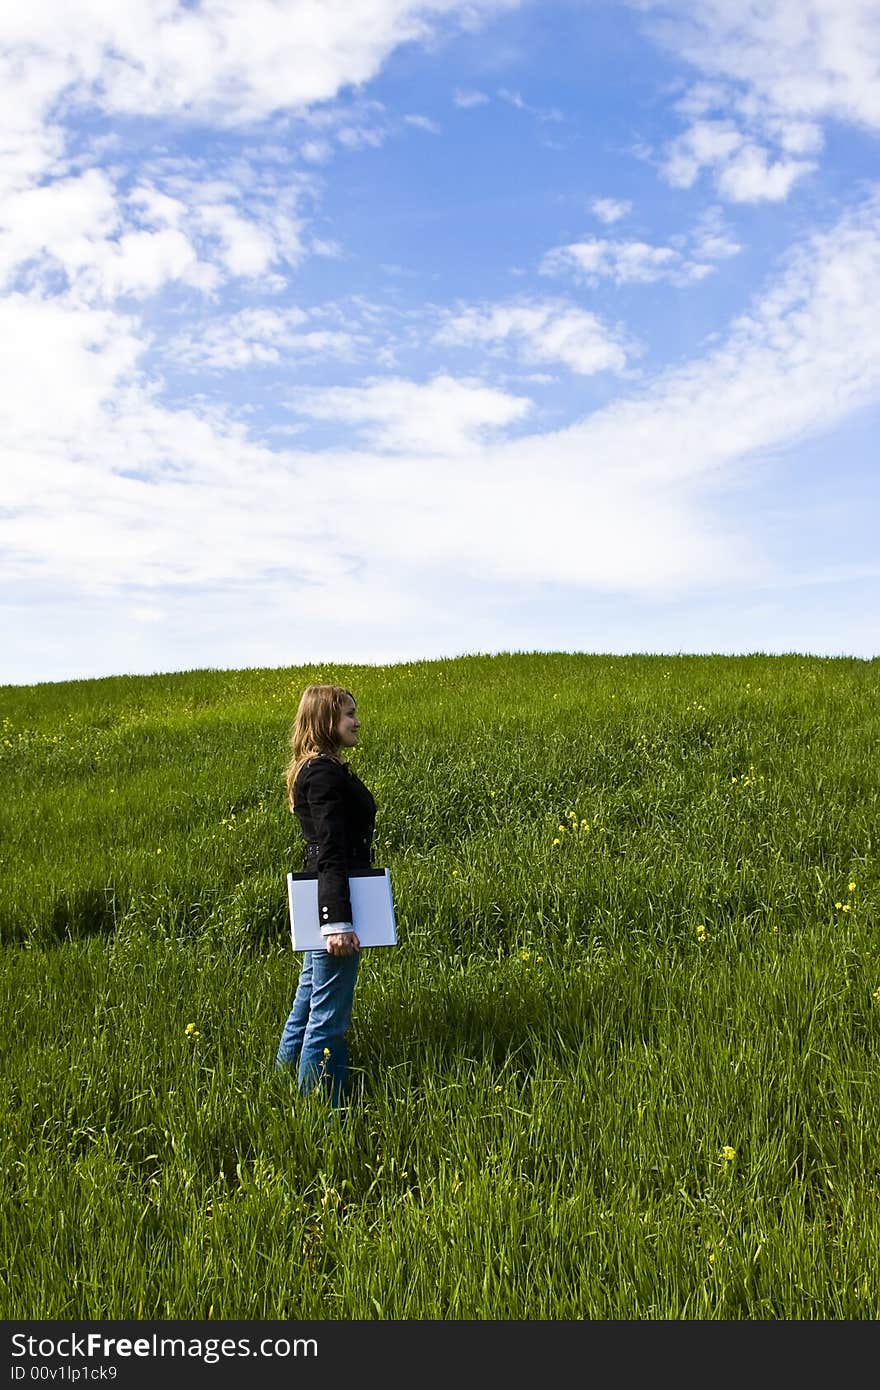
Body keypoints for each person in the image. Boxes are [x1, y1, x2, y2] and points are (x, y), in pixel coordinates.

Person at [276, 683, 376, 1106]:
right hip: (334, 898)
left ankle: (285, 1083)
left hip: (327, 893)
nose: (357, 721)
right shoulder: (323, 773)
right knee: (328, 1015)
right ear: (325, 721)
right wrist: (336, 920)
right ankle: (322, 1110)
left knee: (309, 998)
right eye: (348, 713)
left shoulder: (318, 769)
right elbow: (331, 847)